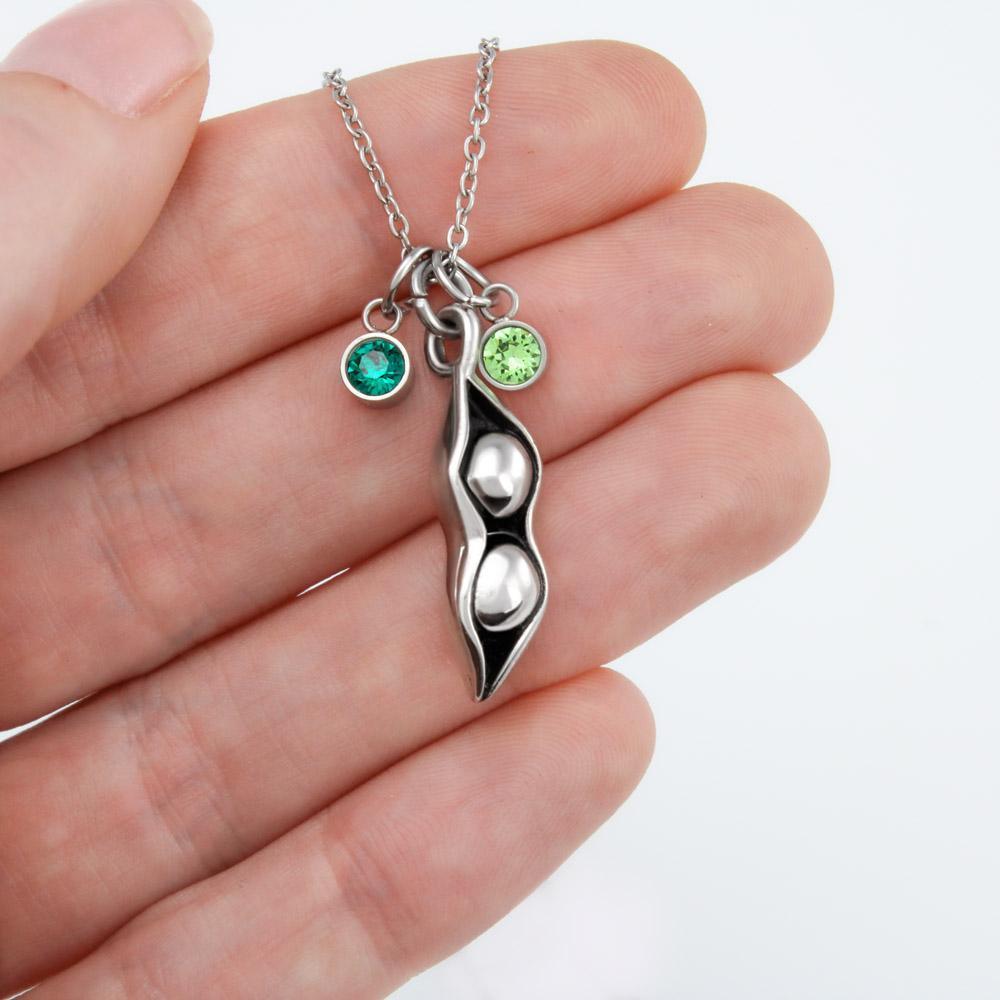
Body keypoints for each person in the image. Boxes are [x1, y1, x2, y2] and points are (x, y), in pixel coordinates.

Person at [0, 0, 832, 995]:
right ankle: (491, 654)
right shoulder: (444, 321)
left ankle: (496, 652)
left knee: (501, 516)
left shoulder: (458, 324)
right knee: (493, 518)